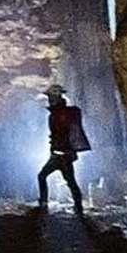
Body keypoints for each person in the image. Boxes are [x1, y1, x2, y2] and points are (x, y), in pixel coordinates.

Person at [37, 84, 90, 216]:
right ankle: (77, 207)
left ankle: (76, 207)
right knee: (67, 180)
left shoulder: (63, 114)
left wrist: (68, 149)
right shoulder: (55, 115)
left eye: (51, 97)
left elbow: (66, 133)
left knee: (67, 181)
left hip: (62, 155)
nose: (49, 99)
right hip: (58, 154)